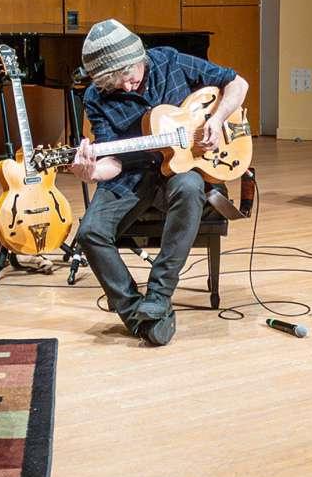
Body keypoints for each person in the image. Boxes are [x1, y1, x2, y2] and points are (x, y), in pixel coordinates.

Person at [69, 19, 248, 347]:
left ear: (138, 57)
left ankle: (159, 294)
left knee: (190, 186)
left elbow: (238, 84)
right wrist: (90, 172)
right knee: (89, 232)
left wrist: (216, 119)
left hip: (180, 172)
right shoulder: (97, 96)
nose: (125, 86)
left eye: (127, 76)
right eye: (114, 82)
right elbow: (112, 161)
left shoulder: (170, 61)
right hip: (131, 176)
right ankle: (137, 313)